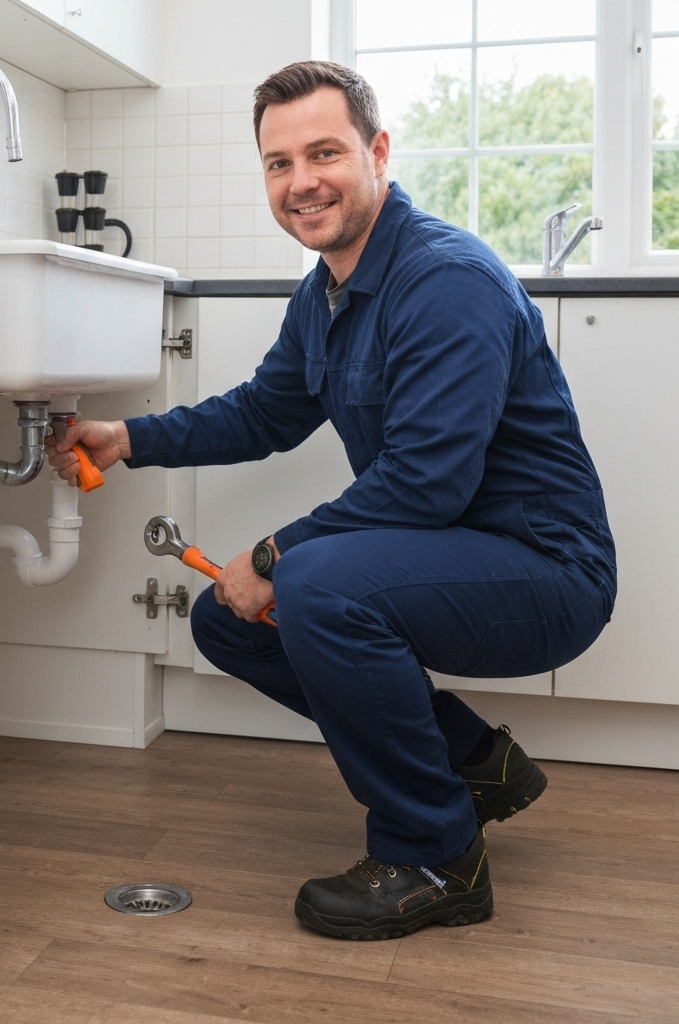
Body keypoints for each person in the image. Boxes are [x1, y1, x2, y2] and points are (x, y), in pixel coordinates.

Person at [46, 61, 616, 941]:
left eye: (324, 153)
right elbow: (266, 410)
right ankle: (473, 765)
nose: (301, 181)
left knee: (314, 586)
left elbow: (427, 482)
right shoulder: (327, 293)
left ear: (377, 152)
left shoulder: (445, 280)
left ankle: (436, 856)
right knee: (225, 623)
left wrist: (273, 556)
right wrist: (130, 439)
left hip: (543, 569)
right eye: (280, 163)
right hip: (454, 550)